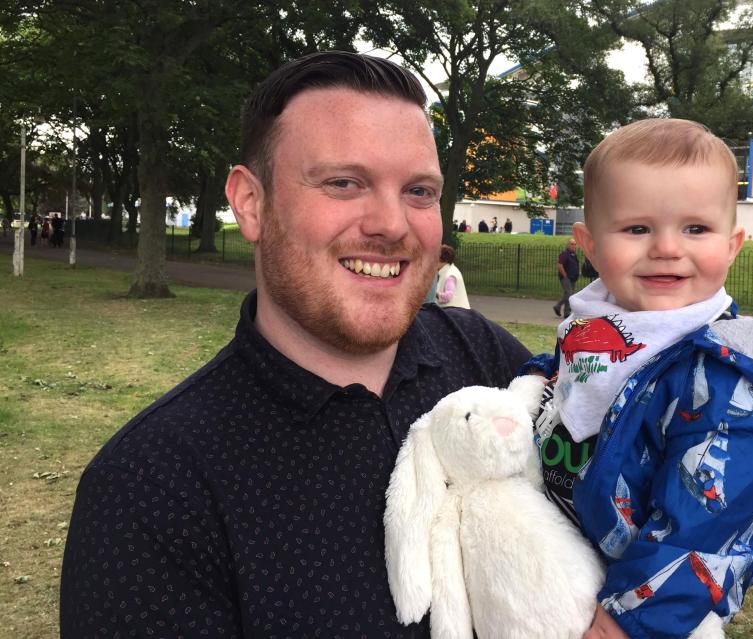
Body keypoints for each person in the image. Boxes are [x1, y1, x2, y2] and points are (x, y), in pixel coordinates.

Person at [59, 51, 532, 638]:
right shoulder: (151, 490)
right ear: (250, 203)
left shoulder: (489, 361)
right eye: (343, 182)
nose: (391, 223)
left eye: (418, 191)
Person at [532, 119, 753, 638]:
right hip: (565, 563)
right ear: (588, 244)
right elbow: (568, 384)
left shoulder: (720, 379)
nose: (667, 247)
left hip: (644, 605)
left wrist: (629, 620)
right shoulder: (596, 326)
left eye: (696, 228)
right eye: (637, 228)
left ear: (733, 243)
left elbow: (711, 523)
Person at [435, 243, 470, 309]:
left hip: (456, 313)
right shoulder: (450, 270)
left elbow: (448, 296)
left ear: (444, 260)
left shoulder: (450, 275)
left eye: (436, 258)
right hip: (456, 312)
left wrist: (433, 293)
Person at [553, 237, 579, 318]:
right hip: (566, 278)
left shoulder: (574, 255)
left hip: (573, 278)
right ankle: (562, 309)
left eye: (575, 244)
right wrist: (565, 275)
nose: (573, 246)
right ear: (568, 245)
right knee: (569, 294)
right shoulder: (564, 254)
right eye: (572, 244)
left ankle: (562, 309)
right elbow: (560, 265)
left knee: (568, 294)